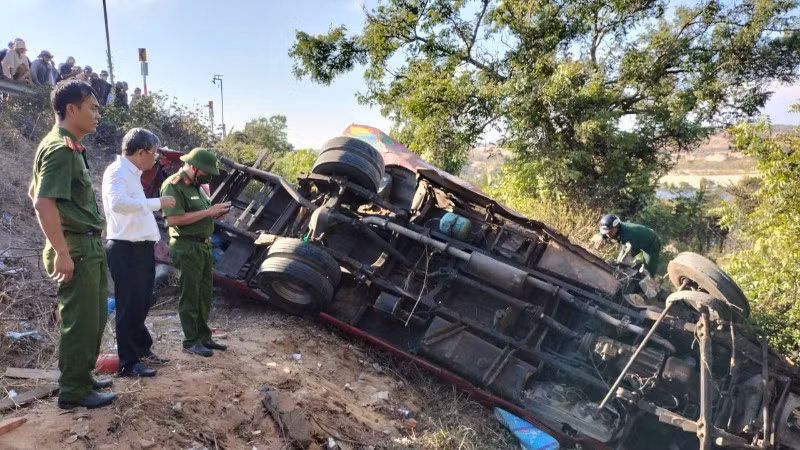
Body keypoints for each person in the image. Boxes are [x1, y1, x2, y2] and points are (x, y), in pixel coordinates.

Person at [28, 80, 116, 409]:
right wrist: (62, 250)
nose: (97, 114)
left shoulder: (68, 145)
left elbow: (33, 192)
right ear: (72, 109)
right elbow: (42, 202)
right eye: (92, 108)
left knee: (93, 317)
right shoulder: (60, 149)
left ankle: (83, 377)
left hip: (84, 245)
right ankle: (74, 391)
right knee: (80, 320)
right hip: (76, 248)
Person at [102, 128, 176, 377]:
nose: (155, 159)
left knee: (142, 302)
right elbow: (118, 204)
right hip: (126, 249)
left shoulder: (132, 174)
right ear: (141, 151)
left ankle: (142, 350)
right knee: (129, 305)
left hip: (140, 249)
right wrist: (158, 203)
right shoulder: (118, 172)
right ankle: (128, 363)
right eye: (154, 154)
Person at [160, 149, 231, 357]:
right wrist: (209, 212)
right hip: (186, 246)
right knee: (190, 295)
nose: (208, 175)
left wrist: (214, 213)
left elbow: (199, 214)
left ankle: (204, 337)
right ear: (193, 167)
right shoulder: (173, 186)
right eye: (205, 171)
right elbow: (173, 220)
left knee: (204, 294)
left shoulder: (199, 187)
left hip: (203, 246)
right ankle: (190, 341)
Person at [593, 214, 662, 275]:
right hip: (635, 239)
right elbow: (603, 232)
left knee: (648, 271)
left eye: (610, 231)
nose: (608, 234)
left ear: (616, 226)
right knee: (618, 261)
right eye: (606, 232)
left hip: (651, 243)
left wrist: (623, 263)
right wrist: (601, 236)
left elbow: (627, 254)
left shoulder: (627, 235)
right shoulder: (614, 228)